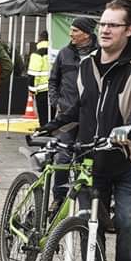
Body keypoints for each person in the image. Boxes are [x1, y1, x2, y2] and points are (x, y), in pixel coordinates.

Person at [39, 0, 131, 261]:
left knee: (128, 221)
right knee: (88, 223)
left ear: (129, 29)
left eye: (113, 25)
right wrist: (52, 126)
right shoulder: (87, 64)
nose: (105, 30)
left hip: (128, 160)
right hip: (92, 158)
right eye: (103, 24)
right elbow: (79, 108)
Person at [47, 16, 98, 208]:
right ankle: (58, 198)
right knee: (62, 157)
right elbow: (53, 80)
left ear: (86, 34)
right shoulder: (64, 54)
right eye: (71, 30)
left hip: (90, 117)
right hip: (66, 116)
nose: (71, 34)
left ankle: (85, 204)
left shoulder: (100, 54)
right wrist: (55, 101)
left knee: (86, 160)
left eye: (75, 30)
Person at [28, 30, 51, 126]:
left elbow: (33, 74)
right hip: (54, 89)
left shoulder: (37, 54)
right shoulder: (55, 52)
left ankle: (44, 133)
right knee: (52, 116)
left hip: (41, 90)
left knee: (43, 116)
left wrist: (32, 91)